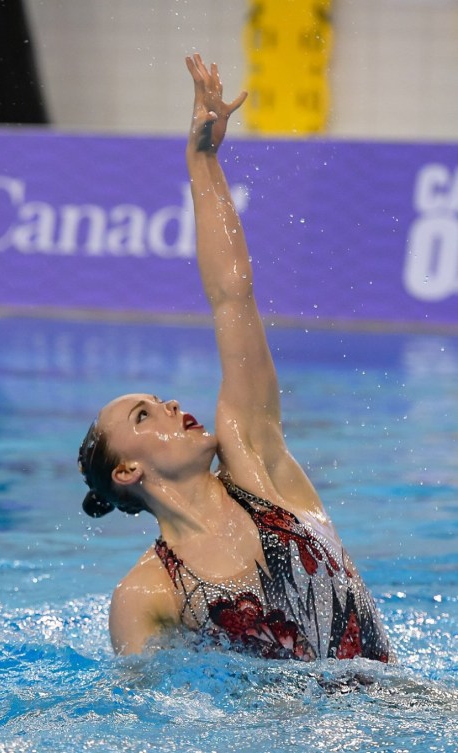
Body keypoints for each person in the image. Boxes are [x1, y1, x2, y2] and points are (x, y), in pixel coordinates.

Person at [77, 54, 393, 663]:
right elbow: (143, 716)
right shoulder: (147, 593)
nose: (170, 405)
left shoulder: (256, 464)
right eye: (144, 417)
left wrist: (203, 161)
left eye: (157, 400)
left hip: (397, 714)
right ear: (126, 473)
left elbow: (233, 295)